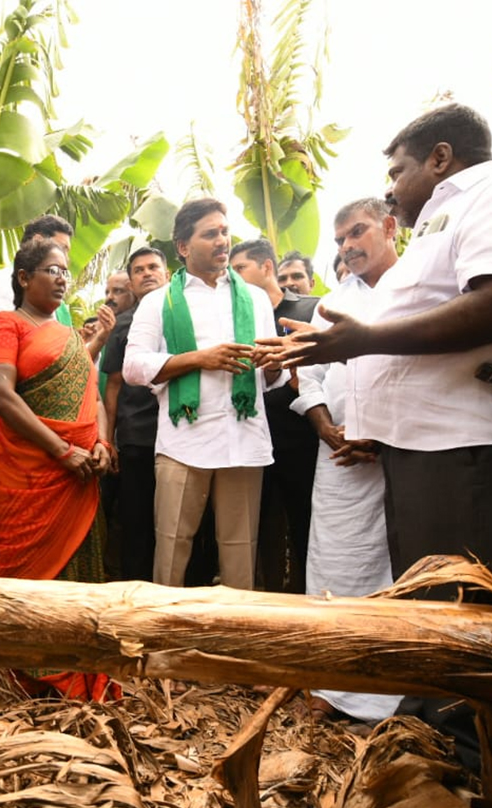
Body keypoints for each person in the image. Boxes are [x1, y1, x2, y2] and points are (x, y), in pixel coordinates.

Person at [267, 102, 492, 596]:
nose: (389, 189)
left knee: (464, 615)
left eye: (396, 172)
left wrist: (364, 340)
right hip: (425, 450)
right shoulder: (439, 223)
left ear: (441, 158)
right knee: (429, 614)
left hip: (469, 445)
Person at [0, 238, 117, 700]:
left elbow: (91, 397)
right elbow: (0, 395)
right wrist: (61, 450)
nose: (62, 278)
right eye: (51, 270)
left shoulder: (71, 338)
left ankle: (78, 672)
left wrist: (98, 442)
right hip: (33, 473)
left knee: (81, 571)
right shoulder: (6, 325)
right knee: (29, 573)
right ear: (24, 278)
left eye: (65, 271)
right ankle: (31, 673)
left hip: (80, 476)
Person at [124, 199, 281, 589]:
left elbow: (273, 377)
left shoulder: (255, 299)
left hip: (244, 440)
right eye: (210, 234)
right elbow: (133, 367)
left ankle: (233, 640)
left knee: (241, 552)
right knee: (172, 550)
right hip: (184, 442)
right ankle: (161, 640)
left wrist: (274, 363)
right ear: (182, 246)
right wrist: (200, 359)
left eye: (225, 232)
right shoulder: (159, 301)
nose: (222, 241)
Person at [292, 197, 401, 723]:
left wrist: (379, 436)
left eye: (356, 232)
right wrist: (323, 426)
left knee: (388, 568)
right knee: (331, 560)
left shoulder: (416, 291)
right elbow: (308, 373)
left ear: (389, 226)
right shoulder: (332, 301)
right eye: (338, 241)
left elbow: (421, 372)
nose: (347, 246)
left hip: (397, 456)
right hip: (334, 455)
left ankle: (385, 694)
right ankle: (329, 687)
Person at [229, 238, 319, 592]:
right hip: (250, 440)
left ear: (267, 267)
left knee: (305, 524)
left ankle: (309, 597)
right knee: (258, 529)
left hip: (300, 438)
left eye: (240, 269)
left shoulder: (312, 310)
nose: (233, 277)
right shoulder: (234, 316)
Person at [102, 247, 169, 581]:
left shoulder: (184, 315)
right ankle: (134, 593)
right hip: (137, 436)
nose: (147, 273)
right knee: (137, 523)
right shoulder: (122, 325)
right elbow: (112, 386)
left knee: (178, 524)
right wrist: (109, 438)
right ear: (131, 281)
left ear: (167, 273)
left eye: (153, 267)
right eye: (139, 270)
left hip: (184, 435)